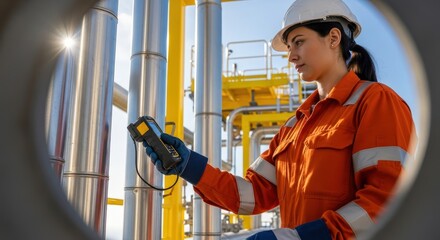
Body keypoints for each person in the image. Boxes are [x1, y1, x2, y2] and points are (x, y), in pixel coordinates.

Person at [143, 0, 416, 239]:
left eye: (298, 42)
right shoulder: (294, 126)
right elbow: (252, 194)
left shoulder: (376, 101)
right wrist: (189, 166)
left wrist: (305, 236)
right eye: (288, 46)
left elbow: (388, 201)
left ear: (333, 38)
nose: (291, 56)